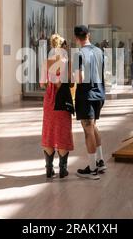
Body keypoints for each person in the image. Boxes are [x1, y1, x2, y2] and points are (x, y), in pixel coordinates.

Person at [72, 25, 106, 180]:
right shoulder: (99, 51)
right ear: (89, 35)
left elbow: (80, 78)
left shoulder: (78, 54)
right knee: (93, 126)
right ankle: (100, 161)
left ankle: (92, 169)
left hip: (86, 96)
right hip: (99, 94)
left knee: (88, 131)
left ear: (76, 37)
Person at [40, 34, 74, 179]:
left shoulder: (46, 63)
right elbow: (72, 83)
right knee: (62, 133)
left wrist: (50, 84)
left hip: (49, 101)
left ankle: (49, 168)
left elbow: (42, 84)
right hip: (62, 102)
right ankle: (63, 169)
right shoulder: (66, 62)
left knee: (49, 132)